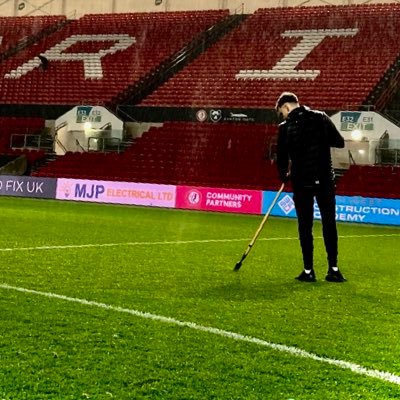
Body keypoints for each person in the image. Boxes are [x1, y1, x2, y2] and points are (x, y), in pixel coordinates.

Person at [275, 92, 346, 283]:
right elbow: (339, 141)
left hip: (302, 182)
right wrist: (320, 141)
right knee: (329, 224)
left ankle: (308, 271)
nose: (283, 116)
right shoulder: (321, 117)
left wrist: (284, 176)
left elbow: (281, 158)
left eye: (282, 112)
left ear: (286, 107)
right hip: (324, 179)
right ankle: (334, 269)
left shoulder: (285, 127)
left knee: (305, 227)